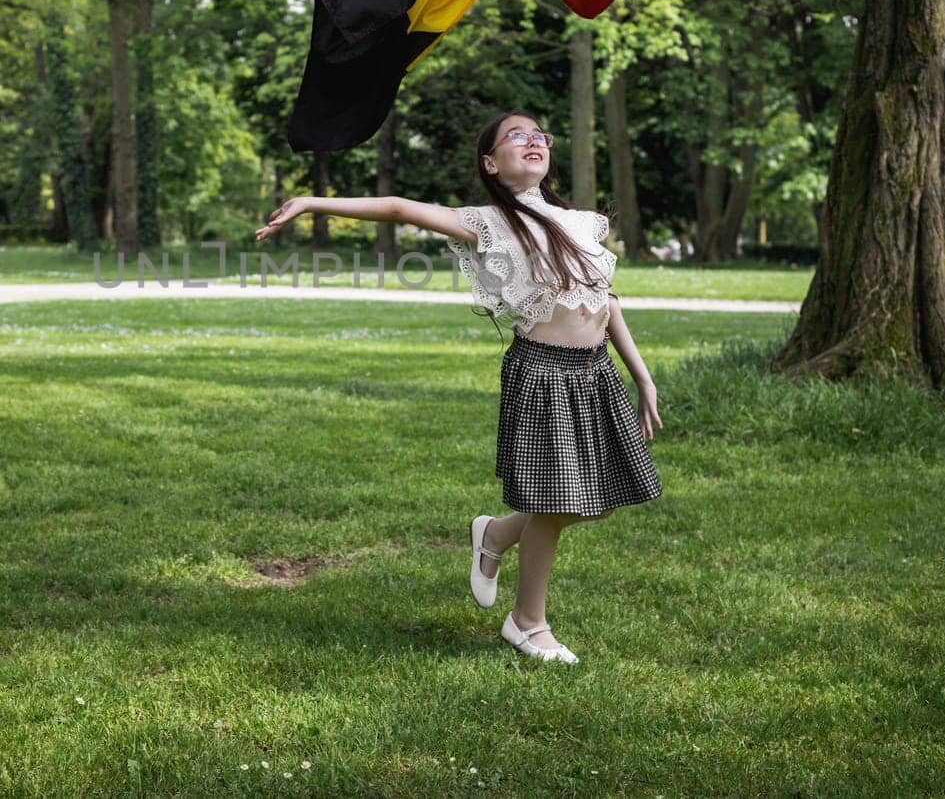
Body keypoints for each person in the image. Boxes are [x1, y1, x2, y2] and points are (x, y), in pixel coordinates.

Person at [254, 109, 663, 664]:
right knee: (554, 502)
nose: (533, 141)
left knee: (599, 501)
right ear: (492, 163)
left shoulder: (584, 225)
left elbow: (605, 302)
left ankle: (494, 536)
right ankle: (527, 623)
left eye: (539, 135)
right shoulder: (489, 222)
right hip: (543, 374)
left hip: (595, 374)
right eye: (515, 136)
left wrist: (641, 374)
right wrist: (310, 202)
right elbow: (398, 208)